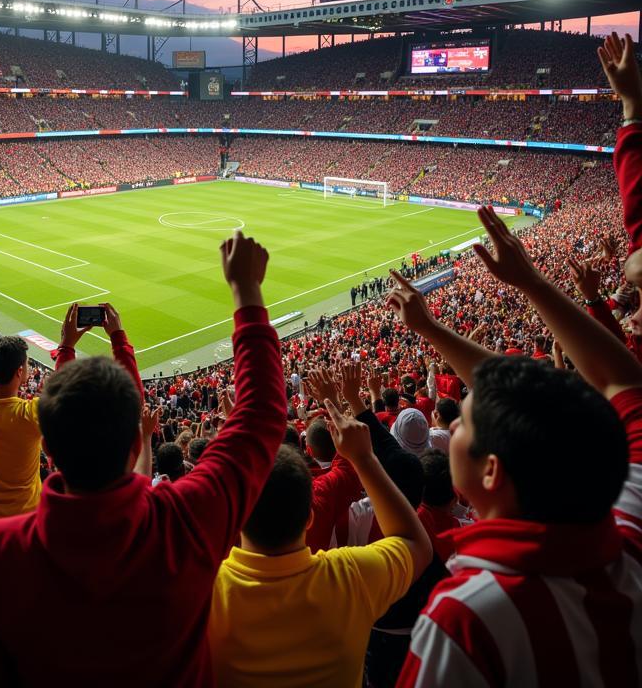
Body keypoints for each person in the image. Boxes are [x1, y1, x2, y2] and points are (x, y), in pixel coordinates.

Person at [0, 232, 284, 686]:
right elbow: (261, 416)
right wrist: (246, 292)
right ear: (136, 438)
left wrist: (67, 348)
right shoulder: (184, 520)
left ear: (47, 445)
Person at [390, 208, 642, 687]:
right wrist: (530, 284)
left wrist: (530, 282)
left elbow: (622, 379)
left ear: (491, 472)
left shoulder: (464, 621)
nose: (456, 415)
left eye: (464, 419)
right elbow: (625, 379)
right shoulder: (628, 524)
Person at [207, 402, 430, 687]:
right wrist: (364, 458)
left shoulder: (202, 592)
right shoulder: (350, 576)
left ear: (235, 521)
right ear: (310, 518)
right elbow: (415, 542)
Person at [0, 301, 138, 539]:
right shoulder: (28, 415)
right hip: (19, 525)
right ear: (20, 372)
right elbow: (63, 397)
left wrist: (66, 345)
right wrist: (67, 345)